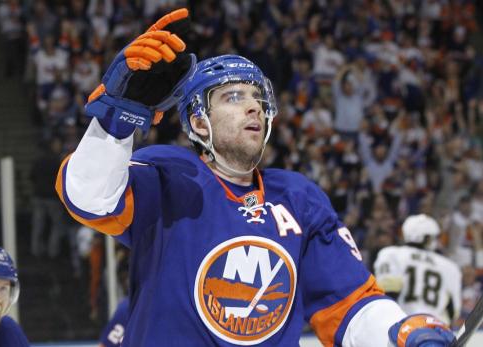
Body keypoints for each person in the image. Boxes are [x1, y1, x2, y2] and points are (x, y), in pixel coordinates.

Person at [56, 9, 456, 347]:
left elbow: (347, 305)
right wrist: (114, 126)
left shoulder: (299, 198)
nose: (253, 108)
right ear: (198, 121)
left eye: (257, 98)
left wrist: (398, 331)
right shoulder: (168, 172)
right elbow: (89, 197)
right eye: (233, 97)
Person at [374, 214, 462, 325]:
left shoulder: (391, 253)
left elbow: (387, 294)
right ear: (428, 238)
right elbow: (453, 312)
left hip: (401, 327)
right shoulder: (450, 267)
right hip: (436, 330)